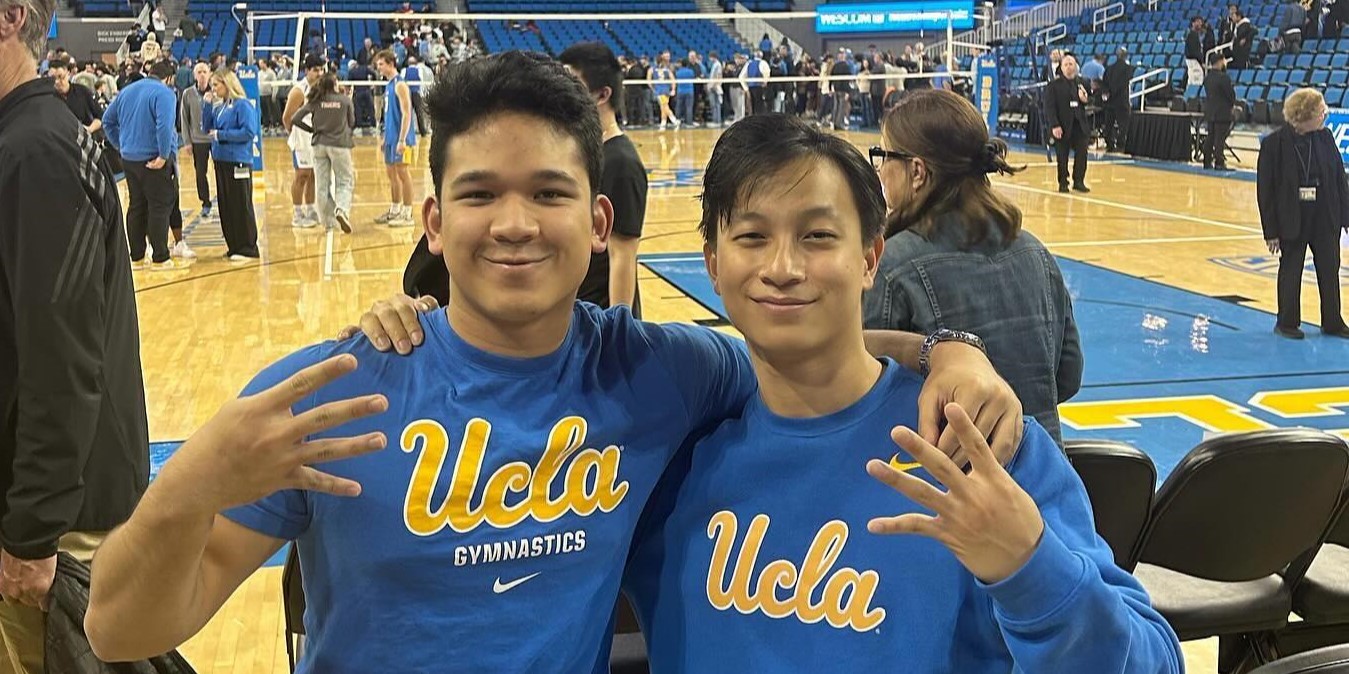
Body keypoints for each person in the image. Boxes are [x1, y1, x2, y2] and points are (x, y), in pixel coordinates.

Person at [85, 52, 1022, 670]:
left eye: (548, 192)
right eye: (480, 194)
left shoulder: (667, 370)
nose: (516, 224)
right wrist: (188, 485)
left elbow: (809, 347)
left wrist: (953, 352)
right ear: (435, 222)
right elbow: (120, 630)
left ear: (598, 220)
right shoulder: (338, 391)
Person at [621, 111, 1180, 674]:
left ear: (869, 258)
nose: (783, 267)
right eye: (752, 236)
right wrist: (947, 344)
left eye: (817, 235)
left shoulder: (976, 440)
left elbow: (1154, 664)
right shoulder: (666, 460)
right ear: (713, 265)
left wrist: (1030, 569)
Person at [0, 0, 150, 669]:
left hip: (55, 528)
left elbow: (62, 360)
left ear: (11, 17)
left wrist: (33, 533)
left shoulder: (35, 152)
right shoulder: (29, 140)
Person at [863, 91, 1082, 445]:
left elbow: (861, 398)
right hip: (1043, 478)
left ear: (917, 172)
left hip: (939, 486)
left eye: (884, 156)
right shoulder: (1036, 252)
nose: (881, 170)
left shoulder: (893, 266)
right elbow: (1068, 377)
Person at [561, 42, 648, 315]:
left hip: (601, 319)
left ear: (602, 94)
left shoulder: (621, 163)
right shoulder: (584, 152)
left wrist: (618, 331)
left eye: (572, 85)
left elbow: (622, 256)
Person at [1256, 88, 1349, 340]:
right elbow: (1266, 191)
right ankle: (1287, 322)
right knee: (1291, 269)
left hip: (1324, 215)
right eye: (1321, 112)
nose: (1325, 116)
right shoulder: (1273, 145)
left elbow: (1339, 178)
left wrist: (1345, 215)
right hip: (1292, 216)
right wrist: (1271, 232)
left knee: (1330, 269)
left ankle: (1332, 321)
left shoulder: (1326, 137)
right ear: (1304, 116)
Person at [102, 58, 181, 270]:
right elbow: (165, 126)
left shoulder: (127, 91)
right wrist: (164, 156)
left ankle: (136, 256)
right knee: (159, 206)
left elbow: (107, 121)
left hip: (129, 159)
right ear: (169, 78)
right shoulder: (165, 93)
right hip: (152, 159)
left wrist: (121, 144)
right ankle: (160, 256)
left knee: (136, 206)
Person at [202, 67, 261, 261]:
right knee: (227, 205)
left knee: (240, 203)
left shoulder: (242, 105)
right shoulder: (220, 107)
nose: (213, 88)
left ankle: (248, 247)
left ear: (227, 84)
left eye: (216, 84)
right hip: (221, 161)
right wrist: (207, 107)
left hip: (238, 161)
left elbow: (248, 132)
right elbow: (207, 128)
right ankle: (234, 245)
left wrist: (222, 135)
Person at [293, 72, 356, 233]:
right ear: (334, 84)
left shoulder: (315, 101)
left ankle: (329, 223)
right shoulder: (344, 100)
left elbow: (296, 118)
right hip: (340, 145)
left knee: (322, 186)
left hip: (319, 144)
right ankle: (341, 210)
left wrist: (312, 129)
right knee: (344, 181)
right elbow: (352, 122)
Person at [373, 48, 416, 226]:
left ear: (390, 64)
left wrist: (401, 140)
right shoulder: (389, 85)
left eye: (381, 64)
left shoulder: (400, 85)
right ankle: (395, 208)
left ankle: (407, 213)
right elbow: (390, 115)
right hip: (391, 138)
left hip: (402, 139)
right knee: (391, 174)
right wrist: (385, 137)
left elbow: (407, 114)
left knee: (403, 173)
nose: (379, 68)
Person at [282, 54, 323, 228]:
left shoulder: (322, 88)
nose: (320, 73)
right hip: (301, 139)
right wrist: (294, 133)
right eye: (316, 70)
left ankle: (311, 208)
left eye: (321, 69)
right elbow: (286, 117)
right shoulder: (299, 90)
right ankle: (297, 214)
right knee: (302, 175)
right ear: (307, 71)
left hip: (316, 138)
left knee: (313, 175)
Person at [1044, 54, 1092, 193]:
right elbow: (1049, 107)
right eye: (1066, 64)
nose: (1069, 67)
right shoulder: (1054, 85)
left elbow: (1093, 101)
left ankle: (1079, 181)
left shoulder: (1083, 82)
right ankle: (1063, 182)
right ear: (1061, 67)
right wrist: (1054, 125)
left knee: (1082, 154)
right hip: (1062, 126)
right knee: (1062, 156)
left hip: (1079, 125)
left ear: (1076, 66)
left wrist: (1086, 100)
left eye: (1071, 64)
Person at [180, 62, 215, 219]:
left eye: (204, 71)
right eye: (199, 72)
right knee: (200, 173)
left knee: (221, 171)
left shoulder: (217, 92)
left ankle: (224, 201)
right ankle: (205, 202)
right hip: (197, 140)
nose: (202, 74)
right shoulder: (188, 93)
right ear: (194, 75)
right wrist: (187, 141)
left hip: (216, 139)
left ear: (209, 74)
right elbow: (184, 119)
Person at [1202, 52, 1236, 171]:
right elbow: (1231, 95)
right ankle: (1219, 162)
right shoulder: (1223, 78)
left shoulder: (1207, 78)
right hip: (1222, 112)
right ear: (1220, 62)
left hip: (1211, 111)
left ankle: (1206, 161)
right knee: (1219, 139)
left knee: (1210, 137)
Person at [1101, 48, 1132, 152]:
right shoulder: (1129, 69)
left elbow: (1104, 84)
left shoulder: (1109, 68)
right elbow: (1124, 84)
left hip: (1110, 101)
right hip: (1121, 101)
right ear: (1126, 56)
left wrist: (1108, 93)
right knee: (1123, 124)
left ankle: (1109, 144)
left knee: (1108, 124)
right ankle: (1120, 144)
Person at [1185, 16, 1207, 86]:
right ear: (1193, 23)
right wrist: (1201, 61)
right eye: (1198, 21)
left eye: (1201, 22)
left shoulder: (1192, 34)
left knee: (1191, 80)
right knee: (1197, 81)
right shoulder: (1192, 35)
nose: (1200, 23)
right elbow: (1195, 51)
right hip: (1194, 62)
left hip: (1191, 61)